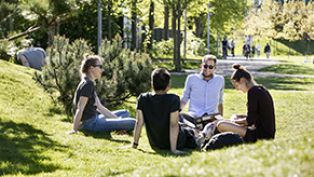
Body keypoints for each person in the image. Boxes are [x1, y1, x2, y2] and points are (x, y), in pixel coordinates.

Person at [132, 68, 215, 154]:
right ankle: (203, 135)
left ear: (152, 83)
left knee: (182, 119)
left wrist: (135, 144)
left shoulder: (142, 98)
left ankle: (199, 131)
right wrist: (173, 150)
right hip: (176, 141)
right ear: (168, 85)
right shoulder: (173, 99)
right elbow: (173, 125)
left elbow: (139, 123)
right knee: (189, 132)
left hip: (155, 143)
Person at [69, 55, 135, 134]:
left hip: (95, 119)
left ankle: (119, 127)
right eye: (100, 67)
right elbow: (80, 108)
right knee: (134, 122)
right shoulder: (88, 84)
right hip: (90, 124)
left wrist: (117, 121)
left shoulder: (89, 82)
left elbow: (99, 107)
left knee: (125, 112)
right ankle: (120, 128)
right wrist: (74, 129)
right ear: (91, 68)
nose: (102, 70)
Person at [215, 64, 276, 143]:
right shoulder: (260, 89)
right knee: (234, 117)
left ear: (243, 80)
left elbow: (250, 121)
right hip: (266, 133)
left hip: (261, 135)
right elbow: (256, 116)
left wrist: (234, 122)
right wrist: (237, 118)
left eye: (236, 85)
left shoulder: (253, 92)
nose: (237, 89)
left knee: (221, 124)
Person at [180, 55, 224, 128]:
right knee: (181, 117)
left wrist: (221, 119)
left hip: (212, 117)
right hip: (194, 116)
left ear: (215, 68)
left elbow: (220, 101)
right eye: (205, 66)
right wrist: (177, 112)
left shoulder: (220, 80)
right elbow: (185, 98)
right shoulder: (192, 79)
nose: (207, 69)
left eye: (210, 67)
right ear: (201, 66)